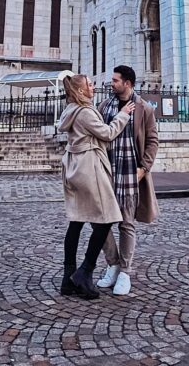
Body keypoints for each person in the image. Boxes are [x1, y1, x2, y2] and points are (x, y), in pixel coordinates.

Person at [57, 73, 135, 300]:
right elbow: (108, 133)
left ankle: (68, 277)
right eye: (90, 85)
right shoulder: (85, 112)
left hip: (74, 168)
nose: (94, 87)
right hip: (89, 169)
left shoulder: (69, 110)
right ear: (81, 91)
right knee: (107, 218)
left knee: (77, 222)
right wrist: (122, 115)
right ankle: (85, 271)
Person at [96, 65, 159, 296]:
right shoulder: (104, 106)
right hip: (106, 172)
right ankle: (112, 263)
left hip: (131, 173)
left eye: (115, 80)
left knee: (126, 223)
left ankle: (124, 271)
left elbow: (152, 140)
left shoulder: (144, 109)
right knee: (100, 222)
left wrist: (143, 168)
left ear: (128, 83)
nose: (111, 83)